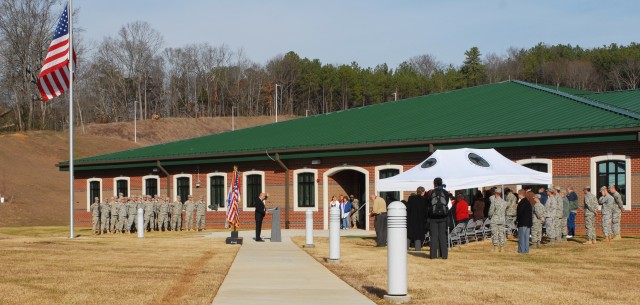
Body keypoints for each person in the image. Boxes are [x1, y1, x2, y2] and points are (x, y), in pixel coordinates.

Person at [426, 177, 449, 259]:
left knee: (434, 236)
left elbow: (427, 204)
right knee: (442, 236)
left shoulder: (430, 192)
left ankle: (433, 255)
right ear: (441, 183)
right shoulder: (446, 192)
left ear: (434, 184)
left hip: (432, 217)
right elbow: (446, 203)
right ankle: (444, 255)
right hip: (443, 217)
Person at [406, 186, 427, 251]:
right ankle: (417, 250)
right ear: (423, 192)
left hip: (411, 219)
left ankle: (405, 249)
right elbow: (425, 211)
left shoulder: (411, 198)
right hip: (420, 221)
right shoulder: (424, 200)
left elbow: (408, 209)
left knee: (409, 235)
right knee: (418, 236)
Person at [489, 188, 508, 252]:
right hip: (502, 220)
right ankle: (502, 247)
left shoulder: (494, 202)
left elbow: (491, 212)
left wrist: (490, 217)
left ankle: (496, 247)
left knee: (495, 233)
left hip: (495, 220)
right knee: (501, 233)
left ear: (496, 193)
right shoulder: (505, 202)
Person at [516, 189, 532, 254]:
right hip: (528, 223)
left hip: (522, 222)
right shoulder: (528, 202)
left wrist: (517, 221)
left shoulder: (521, 203)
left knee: (521, 237)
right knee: (526, 238)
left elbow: (519, 213)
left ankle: (521, 250)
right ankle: (526, 250)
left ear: (520, 194)